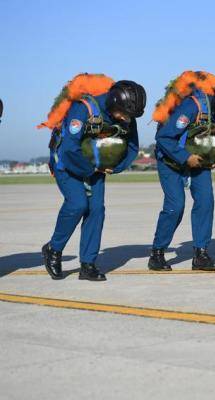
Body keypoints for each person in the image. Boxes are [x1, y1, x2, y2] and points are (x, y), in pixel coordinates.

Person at [38, 74, 145, 281]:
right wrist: (92, 169)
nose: (126, 120)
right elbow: (69, 149)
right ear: (114, 103)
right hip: (67, 162)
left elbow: (132, 146)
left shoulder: (127, 113)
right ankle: (53, 248)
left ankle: (88, 264)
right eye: (123, 115)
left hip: (96, 166)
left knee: (96, 210)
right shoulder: (83, 109)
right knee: (78, 204)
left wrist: (115, 167)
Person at [148, 71, 215, 271]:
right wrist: (185, 158)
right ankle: (157, 254)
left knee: (206, 202)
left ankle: (201, 254)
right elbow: (165, 138)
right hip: (171, 160)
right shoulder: (192, 106)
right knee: (175, 206)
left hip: (200, 163)